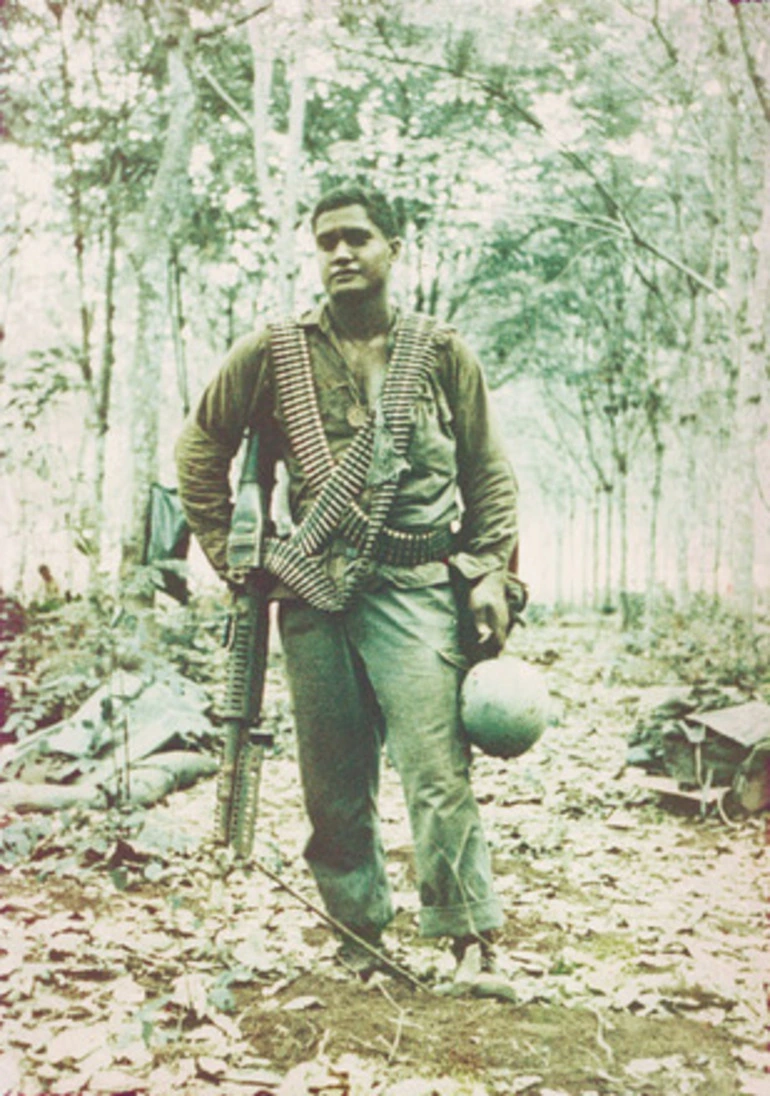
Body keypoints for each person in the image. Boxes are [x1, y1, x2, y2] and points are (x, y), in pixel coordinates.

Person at [175, 182, 518, 980]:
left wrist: (487, 572)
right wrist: (233, 548)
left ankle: (469, 939)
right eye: (326, 240)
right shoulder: (274, 353)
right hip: (314, 591)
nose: (340, 253)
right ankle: (359, 938)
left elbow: (490, 475)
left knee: (437, 772)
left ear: (393, 250)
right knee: (333, 784)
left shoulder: (440, 354)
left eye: (357, 238)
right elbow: (199, 450)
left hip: (416, 586)